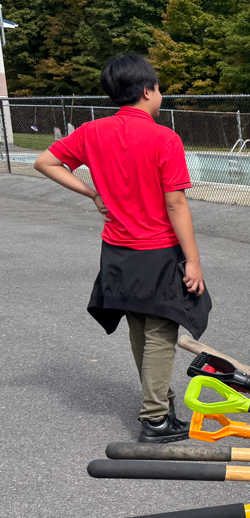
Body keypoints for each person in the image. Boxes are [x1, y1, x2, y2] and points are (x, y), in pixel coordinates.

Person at [34, 53, 211, 443]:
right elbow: (176, 203)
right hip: (159, 253)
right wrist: (193, 261)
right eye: (159, 87)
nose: (160, 94)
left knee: (140, 331)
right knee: (162, 333)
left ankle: (162, 410)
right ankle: (155, 420)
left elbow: (45, 161)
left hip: (117, 252)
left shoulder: (92, 132)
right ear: (148, 90)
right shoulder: (165, 138)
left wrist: (91, 192)